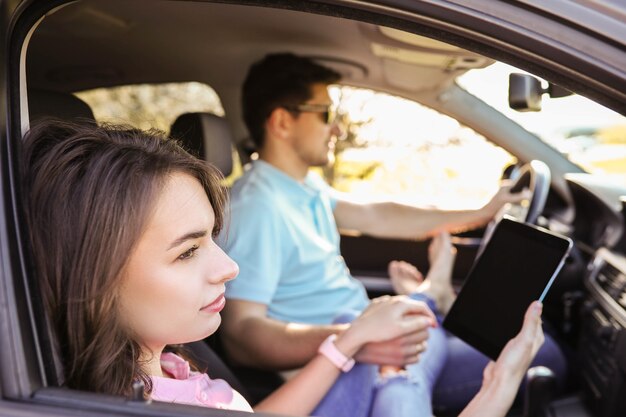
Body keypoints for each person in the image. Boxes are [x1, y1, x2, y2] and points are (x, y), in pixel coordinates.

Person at [22, 120, 544, 417]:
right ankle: (428, 307)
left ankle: (424, 308)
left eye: (212, 240)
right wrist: (501, 386)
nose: (229, 267)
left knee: (394, 353)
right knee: (406, 369)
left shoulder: (156, 369)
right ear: (94, 280)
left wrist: (347, 344)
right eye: (187, 252)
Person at [218, 53, 567, 414]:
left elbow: (378, 215)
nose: (336, 128)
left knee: (534, 349)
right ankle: (429, 296)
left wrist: (481, 212)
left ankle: (427, 299)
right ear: (281, 122)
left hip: (369, 345)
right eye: (324, 114)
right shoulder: (256, 207)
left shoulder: (302, 187)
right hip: (341, 372)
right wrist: (352, 340)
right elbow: (242, 334)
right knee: (541, 355)